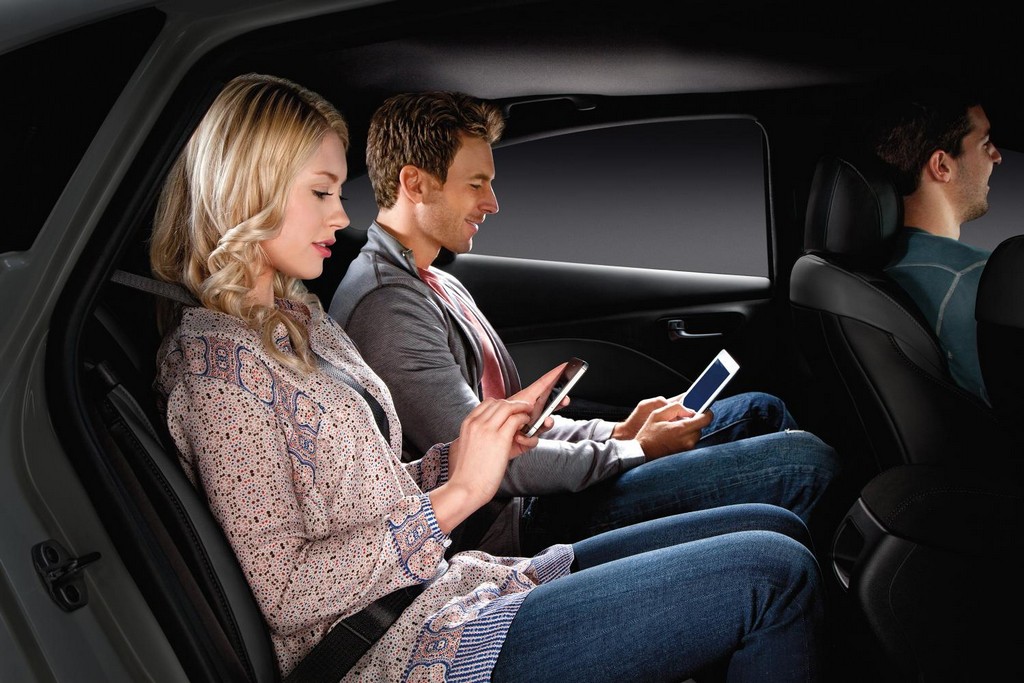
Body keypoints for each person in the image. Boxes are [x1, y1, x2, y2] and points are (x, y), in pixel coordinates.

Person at [150, 72, 827, 682]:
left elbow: (367, 489)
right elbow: (284, 590)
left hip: (447, 595)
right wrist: (464, 490)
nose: (341, 214)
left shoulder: (299, 321)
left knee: (776, 529)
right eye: (322, 192)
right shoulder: (219, 375)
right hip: (396, 651)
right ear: (252, 192)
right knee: (778, 573)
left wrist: (472, 451)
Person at [329, 90, 841, 556]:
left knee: (759, 411)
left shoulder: (432, 280)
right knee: (804, 465)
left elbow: (515, 434)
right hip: (514, 526)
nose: (492, 203)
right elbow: (490, 466)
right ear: (415, 183)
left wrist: (620, 428)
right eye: (476, 184)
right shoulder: (387, 306)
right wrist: (633, 449)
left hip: (534, 492)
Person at [872, 79, 1002, 403]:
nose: (997, 157)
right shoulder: (980, 279)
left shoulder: (872, 268)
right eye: (985, 143)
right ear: (942, 165)